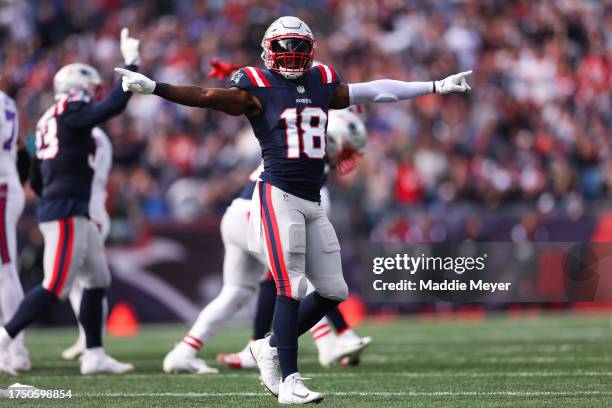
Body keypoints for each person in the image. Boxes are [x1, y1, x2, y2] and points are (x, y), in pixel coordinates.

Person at [116, 16, 471, 404]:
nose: (291, 56)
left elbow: (376, 91)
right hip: (276, 194)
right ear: (269, 50)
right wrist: (155, 88)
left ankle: (268, 345)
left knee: (334, 290)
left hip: (311, 199)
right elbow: (205, 95)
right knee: (291, 286)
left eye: (297, 48)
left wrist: (435, 85)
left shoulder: (321, 82)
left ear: (310, 51)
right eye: (284, 48)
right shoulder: (256, 84)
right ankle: (289, 381)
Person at [163, 109, 371, 375]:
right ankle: (328, 343)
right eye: (346, 149)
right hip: (256, 215)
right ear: (329, 139)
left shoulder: (298, 147)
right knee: (298, 278)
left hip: (237, 214)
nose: (347, 157)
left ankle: (184, 351)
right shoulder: (312, 161)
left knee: (236, 291)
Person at [0, 28, 140, 376]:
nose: (93, 96)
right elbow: (111, 107)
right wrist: (131, 65)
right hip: (66, 210)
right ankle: (4, 338)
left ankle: (94, 354)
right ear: (77, 90)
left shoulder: (49, 117)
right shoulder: (69, 110)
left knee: (97, 278)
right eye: (90, 90)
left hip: (68, 207)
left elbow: (35, 173)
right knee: (56, 285)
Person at [61, 127, 113, 361]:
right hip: (89, 208)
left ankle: (93, 340)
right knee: (78, 282)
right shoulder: (98, 135)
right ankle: (88, 337)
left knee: (92, 281)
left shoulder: (89, 135)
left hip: (88, 210)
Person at [0, 88, 31, 372]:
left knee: (5, 270)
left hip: (1, 189)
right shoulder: (7, 101)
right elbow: (21, 148)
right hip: (7, 185)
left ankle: (15, 349)